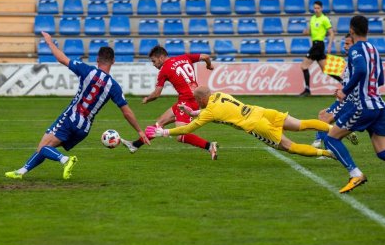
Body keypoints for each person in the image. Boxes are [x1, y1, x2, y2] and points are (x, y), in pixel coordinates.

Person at [5, 31, 150, 180]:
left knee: (43, 147)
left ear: (97, 59)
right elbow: (127, 112)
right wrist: (139, 131)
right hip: (84, 129)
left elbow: (62, 58)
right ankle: (21, 172)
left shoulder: (87, 70)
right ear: (113, 61)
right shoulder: (114, 86)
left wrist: (49, 42)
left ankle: (65, 160)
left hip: (70, 118)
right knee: (47, 148)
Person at [146, 86, 336, 159]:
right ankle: (333, 128)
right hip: (260, 111)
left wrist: (164, 132)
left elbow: (188, 128)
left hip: (255, 125)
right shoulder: (219, 95)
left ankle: (328, 153)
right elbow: (207, 111)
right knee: (301, 124)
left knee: (289, 147)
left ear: (202, 99)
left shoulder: (209, 111)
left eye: (197, 101)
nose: (197, 103)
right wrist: (192, 111)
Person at [121, 46, 219, 160]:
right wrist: (209, 65)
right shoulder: (185, 57)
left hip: (187, 101)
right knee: (160, 123)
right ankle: (135, 145)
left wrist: (147, 99)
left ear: (161, 57)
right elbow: (206, 56)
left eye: (154, 61)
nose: (153, 64)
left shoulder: (164, 70)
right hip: (190, 98)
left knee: (181, 135)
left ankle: (210, 146)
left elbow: (157, 94)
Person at [324, 15, 385, 193]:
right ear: (367, 30)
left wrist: (345, 90)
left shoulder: (355, 49)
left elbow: (361, 70)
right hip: (379, 106)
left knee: (331, 138)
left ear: (351, 30)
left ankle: (355, 174)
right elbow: (380, 78)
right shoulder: (374, 49)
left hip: (363, 107)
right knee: (382, 152)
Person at [312, 34, 358, 149]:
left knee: (325, 119)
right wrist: (341, 90)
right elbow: (350, 81)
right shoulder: (350, 60)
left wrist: (345, 92)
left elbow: (357, 81)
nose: (345, 46)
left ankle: (323, 145)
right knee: (322, 114)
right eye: (344, 44)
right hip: (344, 98)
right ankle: (344, 132)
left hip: (349, 100)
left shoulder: (356, 61)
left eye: (348, 44)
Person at [300, 0, 340, 97]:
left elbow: (331, 33)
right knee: (325, 70)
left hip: (319, 45)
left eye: (318, 8)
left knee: (303, 66)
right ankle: (344, 82)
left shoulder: (324, 19)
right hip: (315, 44)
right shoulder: (313, 18)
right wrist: (306, 32)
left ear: (321, 8)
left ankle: (307, 90)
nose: (316, 10)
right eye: (315, 8)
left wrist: (330, 45)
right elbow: (310, 31)